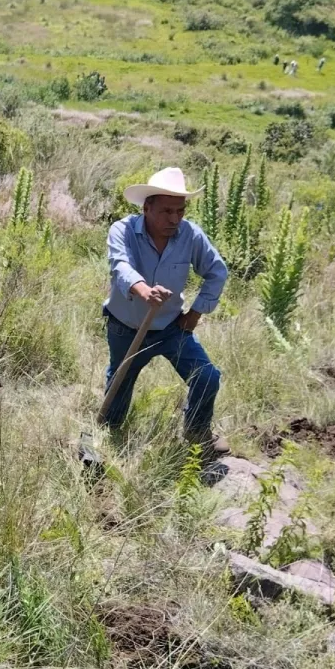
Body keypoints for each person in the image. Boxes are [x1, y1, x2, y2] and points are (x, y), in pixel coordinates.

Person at [103, 167, 229, 458]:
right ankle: (109, 440)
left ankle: (197, 433)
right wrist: (143, 290)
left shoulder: (190, 235)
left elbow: (217, 272)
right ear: (147, 208)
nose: (174, 219)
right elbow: (120, 264)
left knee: (206, 376)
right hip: (126, 327)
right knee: (118, 387)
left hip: (173, 327)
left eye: (180, 211)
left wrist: (195, 314)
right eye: (166, 211)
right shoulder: (122, 230)